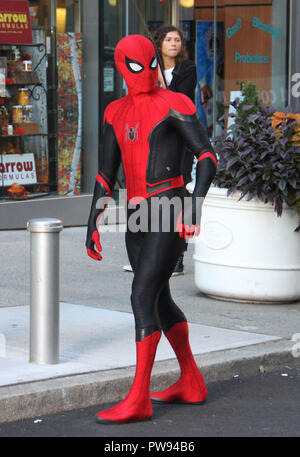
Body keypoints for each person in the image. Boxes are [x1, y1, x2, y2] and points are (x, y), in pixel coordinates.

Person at [86, 34, 217, 424]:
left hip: (169, 207)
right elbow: (105, 173)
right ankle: (191, 382)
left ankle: (139, 398)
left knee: (141, 296)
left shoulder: (175, 103)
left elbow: (207, 156)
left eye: (149, 64)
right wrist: (93, 220)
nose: (145, 72)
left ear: (155, 62)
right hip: (136, 215)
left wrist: (194, 204)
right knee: (159, 301)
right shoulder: (114, 111)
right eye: (136, 66)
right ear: (122, 67)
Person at [154, 25, 197, 275]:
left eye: (177, 40)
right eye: (169, 40)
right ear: (159, 44)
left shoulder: (186, 69)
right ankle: (156, 253)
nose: (173, 44)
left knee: (180, 192)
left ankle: (179, 255)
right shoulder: (151, 71)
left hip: (182, 138)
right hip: (158, 138)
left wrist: (161, 82)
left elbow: (179, 100)